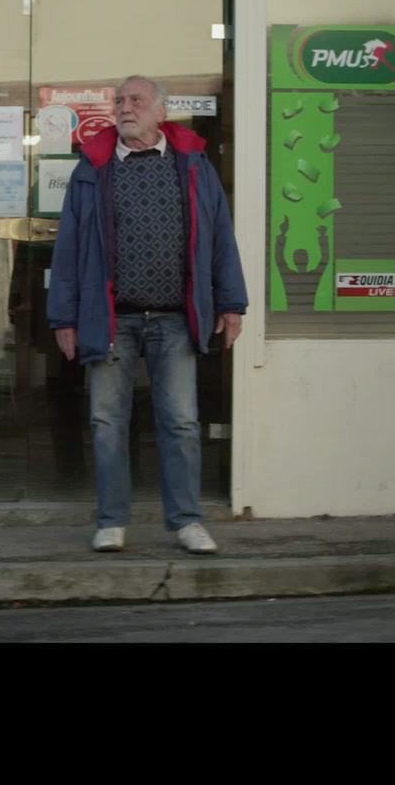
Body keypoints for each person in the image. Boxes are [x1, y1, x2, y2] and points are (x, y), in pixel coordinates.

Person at [47, 75, 248, 555]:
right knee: (107, 421)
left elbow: (220, 234)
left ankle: (186, 522)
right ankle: (112, 521)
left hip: (175, 318)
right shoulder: (93, 168)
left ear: (161, 112)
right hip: (111, 318)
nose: (124, 107)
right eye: (119, 101)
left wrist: (231, 302)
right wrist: (64, 318)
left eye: (136, 100)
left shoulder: (192, 163)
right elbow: (69, 247)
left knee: (181, 422)